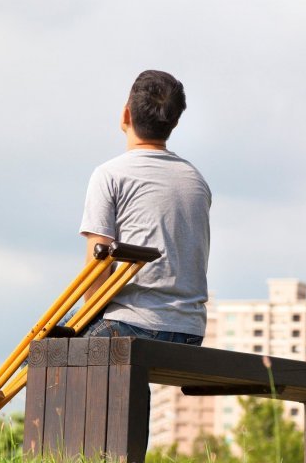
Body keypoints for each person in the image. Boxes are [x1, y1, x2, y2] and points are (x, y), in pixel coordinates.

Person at [79, 70, 211, 345]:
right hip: (190, 330)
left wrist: (88, 319)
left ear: (125, 115)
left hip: (131, 323)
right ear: (174, 123)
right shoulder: (196, 180)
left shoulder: (109, 174)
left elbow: (96, 269)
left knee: (41, 352)